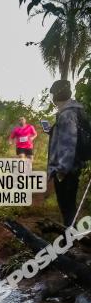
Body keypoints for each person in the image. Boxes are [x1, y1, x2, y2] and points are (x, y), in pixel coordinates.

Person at [48, 79, 91, 226]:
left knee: (67, 207)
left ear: (57, 95)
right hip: (75, 165)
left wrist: (61, 170)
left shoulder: (67, 114)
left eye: (53, 94)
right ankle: (70, 238)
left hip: (67, 169)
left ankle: (69, 242)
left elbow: (69, 145)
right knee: (69, 207)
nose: (52, 97)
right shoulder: (75, 110)